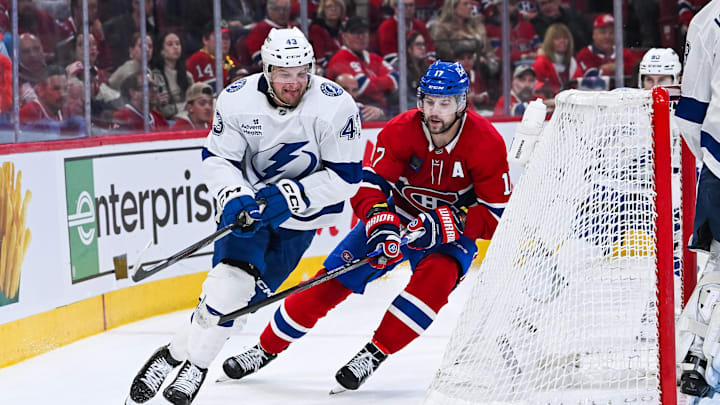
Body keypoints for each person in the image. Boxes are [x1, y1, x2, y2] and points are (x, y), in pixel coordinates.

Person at [218, 61, 511, 393]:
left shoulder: (486, 142)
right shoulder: (402, 129)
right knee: (328, 283)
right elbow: (368, 185)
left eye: (444, 103)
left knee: (434, 282)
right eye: (429, 101)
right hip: (399, 216)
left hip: (449, 235)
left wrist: (449, 222)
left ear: (461, 103)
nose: (435, 110)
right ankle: (265, 348)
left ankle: (375, 353)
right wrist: (380, 220)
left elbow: (495, 216)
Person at [125, 27, 362, 405]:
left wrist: (291, 195)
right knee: (229, 284)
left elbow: (346, 177)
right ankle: (197, 367)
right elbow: (219, 159)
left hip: (300, 221)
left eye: (302, 72)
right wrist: (235, 195)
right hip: (249, 211)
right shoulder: (237, 99)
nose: (294, 82)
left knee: (235, 307)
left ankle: (172, 353)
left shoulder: (335, 105)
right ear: (267, 69)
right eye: (284, 73)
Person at [674, 0, 720, 400]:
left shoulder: (710, 18)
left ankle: (696, 357)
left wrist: (709, 158)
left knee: (719, 262)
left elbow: (690, 115)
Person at [327, 16, 399, 111]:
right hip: (355, 111)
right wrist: (385, 86)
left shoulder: (374, 57)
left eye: (364, 32)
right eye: (355, 32)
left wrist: (373, 85)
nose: (361, 37)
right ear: (344, 36)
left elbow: (396, 78)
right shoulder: (340, 58)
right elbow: (362, 86)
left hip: (380, 109)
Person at [431, 0, 498, 76]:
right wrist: (471, 60)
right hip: (455, 73)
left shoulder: (477, 26)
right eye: (465, 4)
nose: (470, 7)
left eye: (470, 4)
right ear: (453, 7)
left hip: (483, 71)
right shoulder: (442, 29)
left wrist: (493, 63)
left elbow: (488, 50)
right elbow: (446, 54)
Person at [575, 14, 637, 79]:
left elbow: (636, 71)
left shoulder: (625, 53)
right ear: (594, 35)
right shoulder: (584, 54)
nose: (607, 37)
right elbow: (589, 77)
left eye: (612, 32)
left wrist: (618, 67)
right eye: (603, 32)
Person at [151, 31, 194, 120]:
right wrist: (185, 107)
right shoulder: (156, 77)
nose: (175, 47)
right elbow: (164, 110)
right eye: (170, 44)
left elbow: (194, 103)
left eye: (178, 44)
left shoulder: (187, 76)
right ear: (162, 51)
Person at [377, 0, 435, 65]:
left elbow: (430, 51)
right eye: (405, 6)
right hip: (399, 70)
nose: (409, 8)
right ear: (395, 8)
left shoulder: (420, 25)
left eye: (411, 5)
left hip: (421, 67)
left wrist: (429, 67)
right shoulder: (386, 27)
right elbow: (390, 58)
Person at [532, 23, 579, 96]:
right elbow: (536, 91)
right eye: (557, 38)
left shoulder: (573, 63)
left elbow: (579, 87)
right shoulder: (540, 63)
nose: (562, 41)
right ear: (549, 41)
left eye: (565, 38)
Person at [185, 23, 238, 89]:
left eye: (227, 38)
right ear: (205, 40)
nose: (225, 41)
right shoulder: (196, 61)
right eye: (220, 37)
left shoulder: (233, 61)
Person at [392, 31, 432, 109]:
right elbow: (404, 98)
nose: (423, 48)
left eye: (424, 44)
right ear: (409, 48)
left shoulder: (427, 69)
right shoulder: (400, 68)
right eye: (418, 44)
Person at [246, 0, 294, 66]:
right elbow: (259, 59)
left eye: (285, 9)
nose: (281, 12)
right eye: (277, 9)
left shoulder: (295, 28)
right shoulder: (260, 29)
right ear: (269, 11)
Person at [308, 0, 346, 69]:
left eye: (337, 6)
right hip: (324, 69)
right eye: (329, 7)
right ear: (323, 10)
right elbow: (320, 60)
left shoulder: (344, 27)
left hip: (343, 65)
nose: (333, 9)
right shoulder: (316, 29)